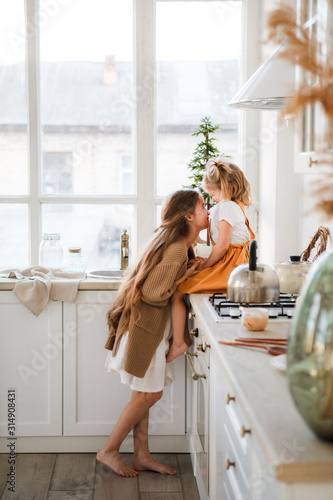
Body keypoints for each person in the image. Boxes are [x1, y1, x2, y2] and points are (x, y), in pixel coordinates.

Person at [96, 189, 209, 477]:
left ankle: (141, 456)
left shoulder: (178, 244)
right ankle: (108, 450)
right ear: (188, 217)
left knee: (142, 394)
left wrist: (186, 271)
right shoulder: (176, 248)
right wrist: (185, 276)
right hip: (146, 332)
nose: (207, 211)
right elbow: (153, 292)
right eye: (202, 207)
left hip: (146, 329)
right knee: (149, 395)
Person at [166, 158, 255, 363]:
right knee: (181, 291)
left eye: (213, 193)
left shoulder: (227, 207)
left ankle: (179, 342)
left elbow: (223, 247)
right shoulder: (233, 206)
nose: (212, 199)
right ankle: (183, 339)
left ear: (228, 188)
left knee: (178, 292)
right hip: (232, 264)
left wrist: (204, 265)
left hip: (229, 267)